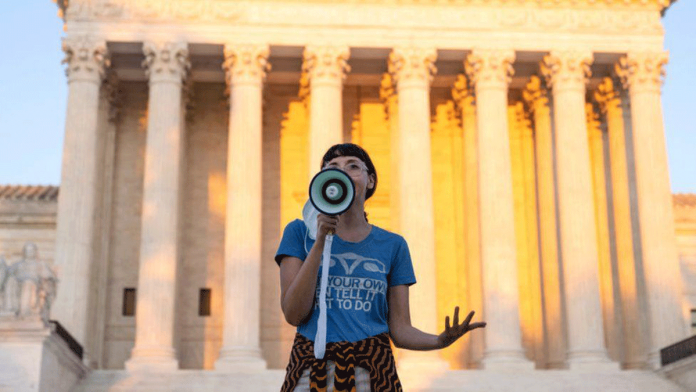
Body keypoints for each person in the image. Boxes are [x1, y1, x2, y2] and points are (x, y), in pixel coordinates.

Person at [276, 143, 486, 392]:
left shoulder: (393, 245)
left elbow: (400, 329)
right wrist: (320, 241)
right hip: (313, 372)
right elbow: (293, 313)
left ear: (370, 180)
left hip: (372, 374)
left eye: (353, 166)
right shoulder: (299, 233)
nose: (342, 171)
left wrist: (440, 341)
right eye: (332, 167)